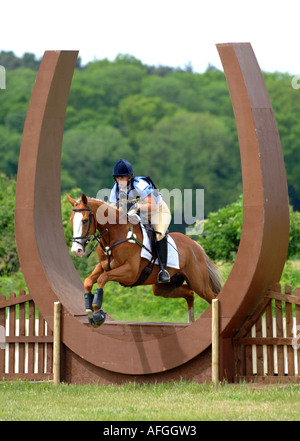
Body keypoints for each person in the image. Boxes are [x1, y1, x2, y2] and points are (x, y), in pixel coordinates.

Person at [109, 159, 171, 283]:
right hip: (141, 214)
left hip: (158, 211)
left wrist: (136, 207)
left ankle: (163, 270)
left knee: (159, 234)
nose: (119, 181)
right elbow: (112, 207)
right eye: (117, 177)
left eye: (123, 177)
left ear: (130, 177)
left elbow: (152, 206)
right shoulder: (116, 188)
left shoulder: (140, 185)